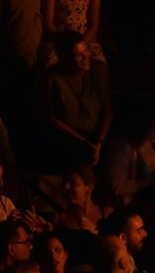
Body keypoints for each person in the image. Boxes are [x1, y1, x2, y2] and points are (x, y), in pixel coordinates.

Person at [42, 31, 113, 169]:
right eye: (79, 55)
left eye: (86, 50)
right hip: (70, 135)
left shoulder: (99, 70)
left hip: (97, 134)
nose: (86, 56)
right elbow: (52, 117)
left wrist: (98, 143)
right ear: (65, 58)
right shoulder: (52, 78)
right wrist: (83, 141)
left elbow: (107, 111)